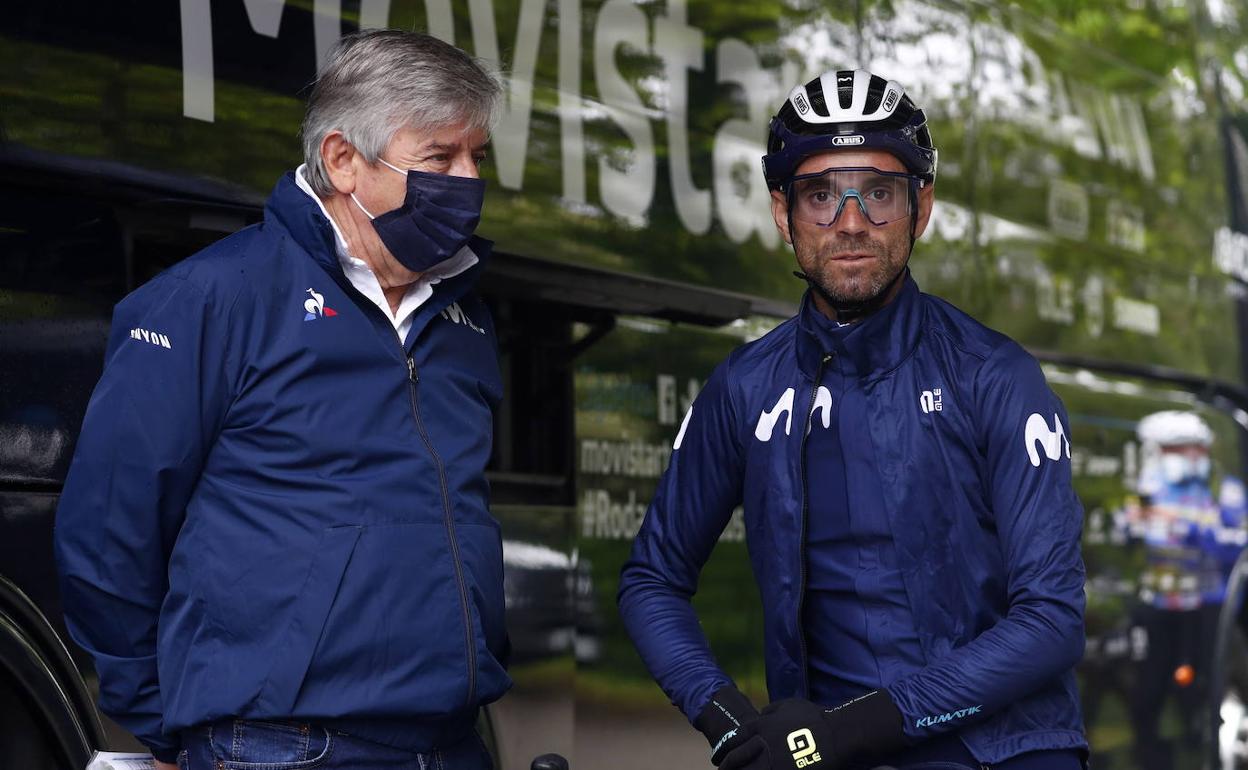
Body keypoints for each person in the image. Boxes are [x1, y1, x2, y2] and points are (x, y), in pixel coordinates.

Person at [55, 30, 508, 770]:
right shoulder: (211, 299)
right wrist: (156, 722)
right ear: (341, 160)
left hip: (452, 742)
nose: (466, 181)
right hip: (280, 747)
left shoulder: (462, 315)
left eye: (476, 158)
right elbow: (110, 528)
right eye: (439, 158)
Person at [618, 69, 1088, 769]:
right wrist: (723, 718)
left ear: (919, 209)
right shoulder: (746, 388)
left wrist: (850, 730)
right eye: (819, 195)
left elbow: (1052, 620)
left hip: (1006, 751)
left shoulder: (996, 376)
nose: (849, 222)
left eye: (878, 193)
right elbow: (652, 579)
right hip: (826, 757)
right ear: (783, 215)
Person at [1124, 411, 1246, 769]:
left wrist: (1191, 530)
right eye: (1171, 449)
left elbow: (1237, 543)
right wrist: (1131, 526)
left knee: (1205, 691)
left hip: (1208, 608)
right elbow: (1131, 538)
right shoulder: (1149, 487)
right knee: (1148, 693)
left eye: (1186, 448)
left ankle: (1211, 751)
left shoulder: (1224, 489)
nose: (1180, 457)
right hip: (1160, 610)